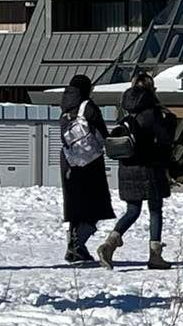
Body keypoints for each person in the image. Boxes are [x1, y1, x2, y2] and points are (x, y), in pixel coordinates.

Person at [99, 70, 173, 268]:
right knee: (155, 210)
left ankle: (110, 244)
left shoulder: (124, 110)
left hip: (127, 167)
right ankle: (155, 255)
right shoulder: (153, 112)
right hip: (149, 167)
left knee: (132, 210)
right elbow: (165, 139)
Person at [60, 72, 112, 266]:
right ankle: (77, 245)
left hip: (69, 160)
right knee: (95, 205)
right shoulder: (87, 106)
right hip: (90, 161)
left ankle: (74, 247)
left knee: (75, 206)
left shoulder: (65, 107)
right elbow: (102, 132)